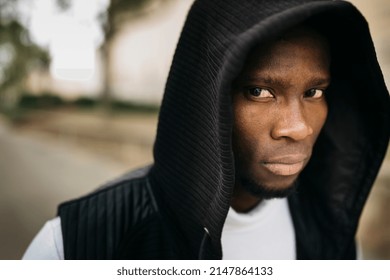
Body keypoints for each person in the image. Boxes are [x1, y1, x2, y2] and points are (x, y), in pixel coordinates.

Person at [23, 0, 389, 260]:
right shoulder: (76, 245)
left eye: (314, 92)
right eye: (258, 92)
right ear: (204, 97)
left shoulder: (330, 232)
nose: (298, 127)